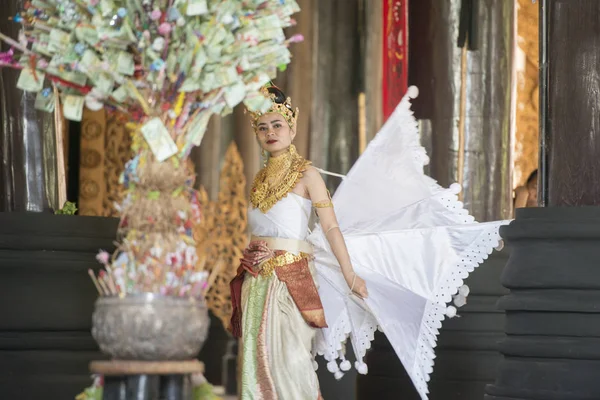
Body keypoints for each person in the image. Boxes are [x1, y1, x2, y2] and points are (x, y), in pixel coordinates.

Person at [229, 85, 508, 400]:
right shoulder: (258, 180)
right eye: (262, 127)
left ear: (292, 129)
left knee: (291, 365)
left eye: (277, 124)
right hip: (256, 282)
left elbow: (331, 227)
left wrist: (349, 274)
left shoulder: (306, 175)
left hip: (290, 280)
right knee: (254, 366)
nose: (270, 132)